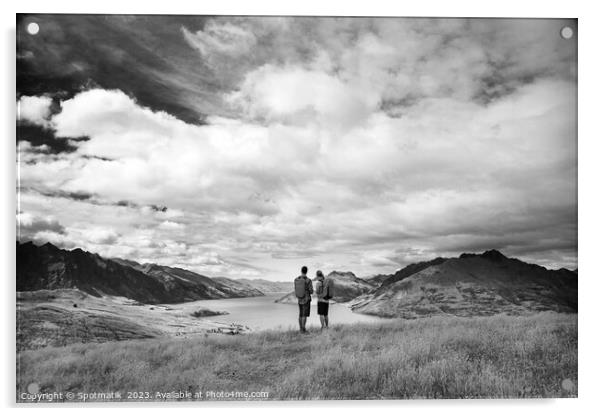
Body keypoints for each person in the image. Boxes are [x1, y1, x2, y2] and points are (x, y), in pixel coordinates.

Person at [294, 266, 313, 333]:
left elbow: (296, 289)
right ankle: (303, 330)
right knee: (304, 315)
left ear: (301, 271)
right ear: (306, 271)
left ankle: (300, 329)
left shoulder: (297, 279)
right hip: (306, 299)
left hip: (299, 299)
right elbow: (311, 291)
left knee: (300, 314)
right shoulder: (308, 280)